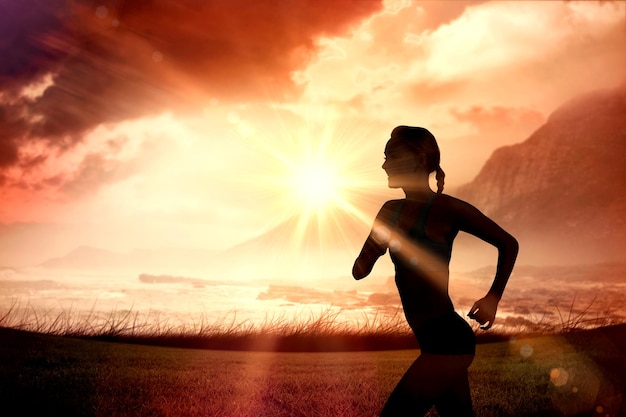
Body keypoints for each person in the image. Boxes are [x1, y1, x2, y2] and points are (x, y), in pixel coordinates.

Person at [352, 126, 518, 416]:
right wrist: (377, 240)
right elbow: (359, 271)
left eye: (392, 156)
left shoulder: (447, 209)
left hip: (449, 341)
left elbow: (508, 243)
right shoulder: (390, 210)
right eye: (385, 157)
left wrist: (492, 298)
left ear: (417, 159)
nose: (384, 164)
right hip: (433, 343)